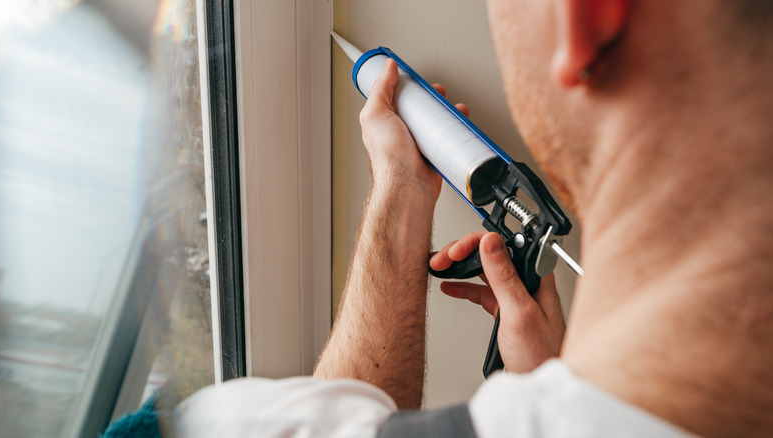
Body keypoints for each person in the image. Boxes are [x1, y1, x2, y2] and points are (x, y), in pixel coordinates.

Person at [177, 0, 773, 436]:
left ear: (585, 19)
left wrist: (397, 189)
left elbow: (347, 415)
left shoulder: (227, 426)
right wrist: (547, 374)